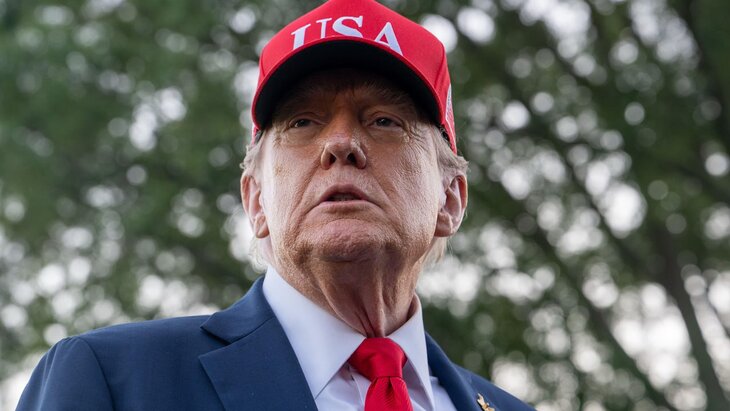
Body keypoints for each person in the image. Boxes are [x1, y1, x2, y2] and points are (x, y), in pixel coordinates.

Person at [17, 0, 534, 410]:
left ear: (450, 198)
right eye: (302, 122)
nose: (341, 144)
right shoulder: (115, 381)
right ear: (256, 199)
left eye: (383, 121)